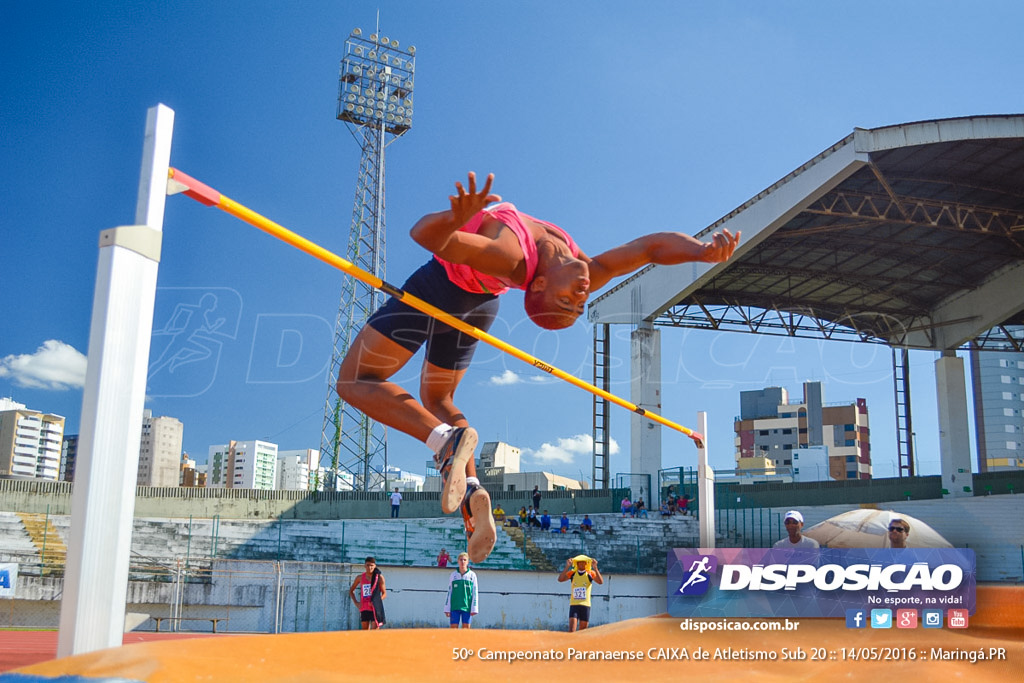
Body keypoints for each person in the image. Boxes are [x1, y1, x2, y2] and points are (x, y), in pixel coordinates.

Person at [336, 172, 740, 563]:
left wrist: (452, 218)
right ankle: (473, 490)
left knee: (355, 381)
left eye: (569, 301)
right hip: (478, 304)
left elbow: (427, 236)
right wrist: (700, 251)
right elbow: (650, 249)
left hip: (441, 288)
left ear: (541, 285)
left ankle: (444, 442)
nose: (582, 297)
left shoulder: (511, 257)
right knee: (439, 397)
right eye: (577, 305)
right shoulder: (581, 266)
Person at [557, 555, 604, 632]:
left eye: (584, 562)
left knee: (582, 631)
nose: (582, 564)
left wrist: (595, 568)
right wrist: (567, 566)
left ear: (587, 564)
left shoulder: (590, 573)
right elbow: (560, 579)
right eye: (580, 562)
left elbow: (600, 582)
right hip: (574, 605)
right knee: (572, 630)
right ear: (577, 564)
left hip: (585, 605)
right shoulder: (572, 573)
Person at [348, 557, 386, 629]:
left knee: (374, 632)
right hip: (364, 608)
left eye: (371, 565)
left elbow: (384, 594)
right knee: (365, 632)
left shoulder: (379, 578)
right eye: (368, 565)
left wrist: (376, 602)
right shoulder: (360, 577)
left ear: (375, 566)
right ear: (365, 566)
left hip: (375, 608)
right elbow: (351, 591)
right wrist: (356, 603)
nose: (370, 567)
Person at [444, 552, 479, 629]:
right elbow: (450, 592)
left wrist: (474, 608)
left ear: (467, 562)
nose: (462, 562)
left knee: (466, 628)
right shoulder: (453, 575)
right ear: (458, 561)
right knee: (453, 628)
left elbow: (475, 592)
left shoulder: (472, 575)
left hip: (467, 607)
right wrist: (447, 608)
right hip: (454, 607)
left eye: (464, 560)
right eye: (461, 560)